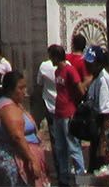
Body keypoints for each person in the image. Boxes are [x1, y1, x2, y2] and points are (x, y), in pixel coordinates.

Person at [0, 71, 48, 187]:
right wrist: (32, 159)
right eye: (20, 88)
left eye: (25, 87)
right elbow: (17, 136)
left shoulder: (14, 104)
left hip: (21, 155)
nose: (24, 91)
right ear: (10, 89)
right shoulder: (8, 108)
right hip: (14, 158)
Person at [53, 38, 89, 181]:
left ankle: (80, 176)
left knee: (73, 146)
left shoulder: (69, 70)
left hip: (68, 112)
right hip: (58, 112)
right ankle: (64, 176)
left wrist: (74, 102)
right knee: (60, 147)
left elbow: (80, 89)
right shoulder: (57, 72)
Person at [37, 45, 70, 185]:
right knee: (67, 141)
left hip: (51, 107)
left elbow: (39, 84)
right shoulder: (68, 66)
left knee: (57, 141)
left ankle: (62, 171)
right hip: (64, 108)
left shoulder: (44, 67)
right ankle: (66, 171)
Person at [82, 49, 109, 152]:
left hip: (104, 131)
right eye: (86, 63)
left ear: (99, 63)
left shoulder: (103, 81)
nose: (87, 66)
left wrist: (104, 142)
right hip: (96, 130)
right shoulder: (95, 78)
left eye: (90, 63)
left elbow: (106, 114)